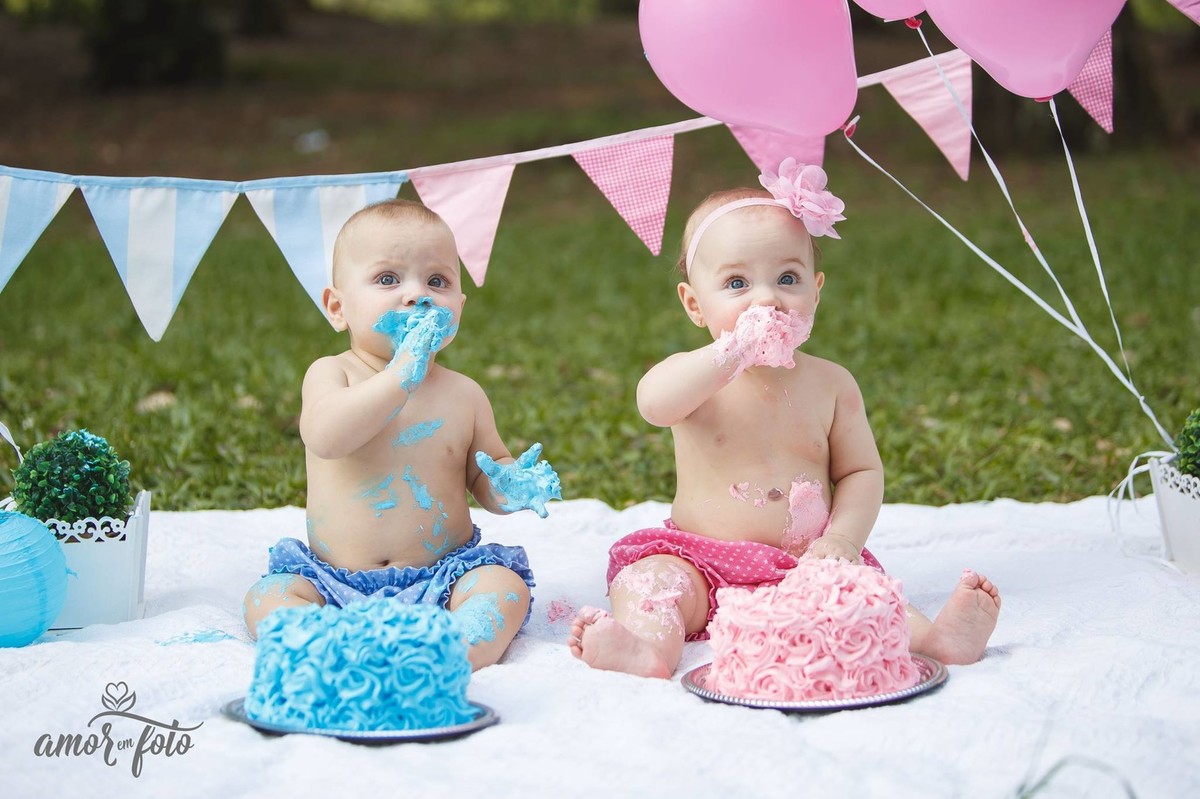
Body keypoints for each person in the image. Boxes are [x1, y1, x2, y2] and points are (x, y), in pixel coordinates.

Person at [569, 159, 1000, 679]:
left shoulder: (831, 384)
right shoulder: (697, 377)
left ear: (816, 290)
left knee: (859, 599)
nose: (767, 298)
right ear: (694, 305)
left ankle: (937, 640)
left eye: (787, 278)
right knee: (651, 583)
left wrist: (841, 540)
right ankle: (647, 648)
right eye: (736, 284)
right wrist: (730, 355)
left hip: (806, 564)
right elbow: (653, 405)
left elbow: (860, 473)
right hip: (701, 561)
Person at [243, 198, 561, 670]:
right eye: (388, 279)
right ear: (338, 307)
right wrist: (400, 377)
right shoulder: (334, 374)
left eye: (438, 281)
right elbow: (326, 438)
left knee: (503, 588)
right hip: (333, 582)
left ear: (460, 305)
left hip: (445, 577)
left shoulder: (464, 395)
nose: (418, 295)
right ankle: (329, 646)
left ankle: (442, 652)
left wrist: (511, 486)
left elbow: (486, 476)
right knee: (268, 597)